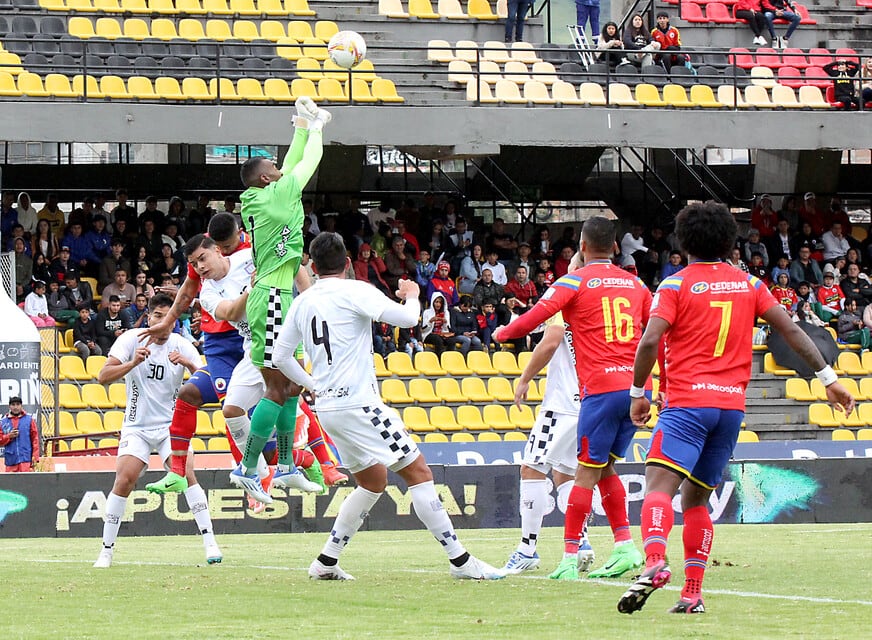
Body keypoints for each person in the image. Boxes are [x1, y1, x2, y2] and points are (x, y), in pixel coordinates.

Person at [618, 200, 853, 615]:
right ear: (730, 242)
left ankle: (655, 561)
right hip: (730, 410)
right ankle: (692, 594)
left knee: (657, 489)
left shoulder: (674, 285)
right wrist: (829, 380)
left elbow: (651, 340)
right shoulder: (750, 285)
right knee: (696, 502)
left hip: (688, 404)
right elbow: (792, 330)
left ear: (684, 241)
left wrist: (637, 391)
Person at [270, 231, 505, 580]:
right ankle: (461, 562)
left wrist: (313, 385)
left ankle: (326, 562)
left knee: (373, 482)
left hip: (330, 410)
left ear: (313, 267)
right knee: (419, 473)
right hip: (360, 404)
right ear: (348, 263)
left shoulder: (303, 301)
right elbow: (409, 319)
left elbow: (280, 356)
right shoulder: (355, 289)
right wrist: (412, 295)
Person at [495, 218, 652, 583]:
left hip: (589, 396)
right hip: (631, 391)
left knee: (570, 474)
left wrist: (502, 332)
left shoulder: (572, 285)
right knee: (602, 469)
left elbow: (533, 324)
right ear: (615, 247)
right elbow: (654, 335)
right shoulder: (637, 285)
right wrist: (650, 387)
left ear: (581, 245)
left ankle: (556, 553)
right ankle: (624, 545)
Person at [145, 235, 322, 499]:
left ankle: (278, 466)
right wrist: (252, 290)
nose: (200, 267)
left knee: (286, 391)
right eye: (194, 263)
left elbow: (292, 263)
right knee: (232, 410)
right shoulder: (207, 292)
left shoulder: (249, 257)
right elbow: (232, 314)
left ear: (218, 250)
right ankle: (263, 468)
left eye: (203, 258)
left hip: (281, 334)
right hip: (252, 347)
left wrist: (309, 298)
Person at [225, 98, 331, 498]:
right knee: (275, 386)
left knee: (290, 387)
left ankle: (286, 466)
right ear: (266, 179)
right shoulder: (279, 192)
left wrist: (301, 124)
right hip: (270, 297)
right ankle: (248, 467)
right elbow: (307, 162)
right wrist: (317, 128)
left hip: (278, 295)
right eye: (273, 166)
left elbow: (292, 161)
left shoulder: (264, 194)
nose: (279, 167)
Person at [93, 294, 222, 568]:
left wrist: (188, 365)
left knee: (186, 474)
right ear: (148, 317)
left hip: (170, 427)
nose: (163, 323)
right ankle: (106, 551)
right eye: (158, 316)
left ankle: (210, 542)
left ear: (175, 321)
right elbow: (102, 377)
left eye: (169, 317)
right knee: (125, 479)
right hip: (136, 426)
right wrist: (132, 364)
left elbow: (209, 381)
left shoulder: (182, 345)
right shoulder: (131, 339)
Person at [502, 300, 586, 573]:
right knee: (566, 474)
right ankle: (582, 543)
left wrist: (525, 378)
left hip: (561, 407)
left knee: (531, 469)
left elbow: (551, 341)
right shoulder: (597, 305)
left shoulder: (568, 305)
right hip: (588, 403)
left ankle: (527, 549)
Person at [0, 397, 39, 472]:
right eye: (13, 405)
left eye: (18, 404)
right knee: (11, 483)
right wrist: (9, 436)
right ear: (9, 406)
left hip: (26, 460)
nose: (15, 407)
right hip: (11, 461)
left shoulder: (29, 420)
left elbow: (35, 439)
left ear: (21, 406)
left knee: (26, 483)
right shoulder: (3, 422)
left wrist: (35, 457)